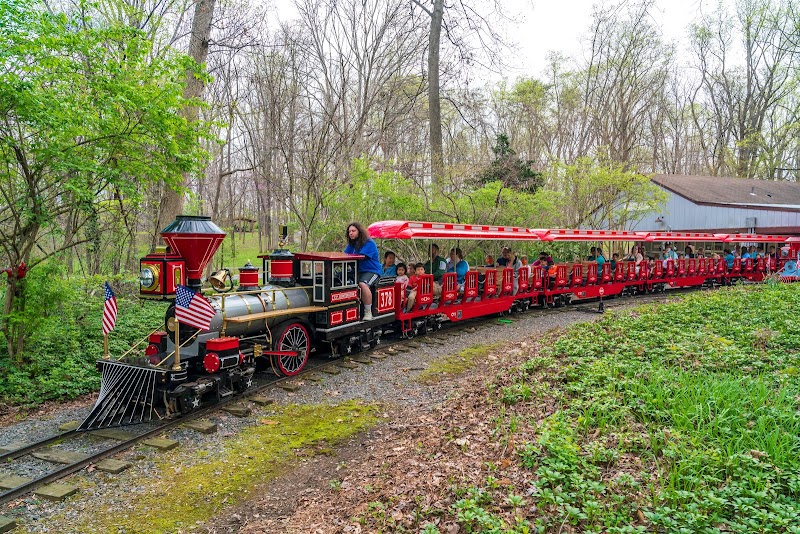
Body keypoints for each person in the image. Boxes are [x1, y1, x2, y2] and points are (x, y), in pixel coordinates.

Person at [344, 222, 381, 321]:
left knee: (363, 284)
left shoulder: (369, 243)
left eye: (353, 231)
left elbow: (361, 257)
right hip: (357, 271)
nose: (350, 233)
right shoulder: (351, 245)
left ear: (359, 231)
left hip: (372, 271)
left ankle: (368, 312)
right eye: (349, 232)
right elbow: (344, 255)